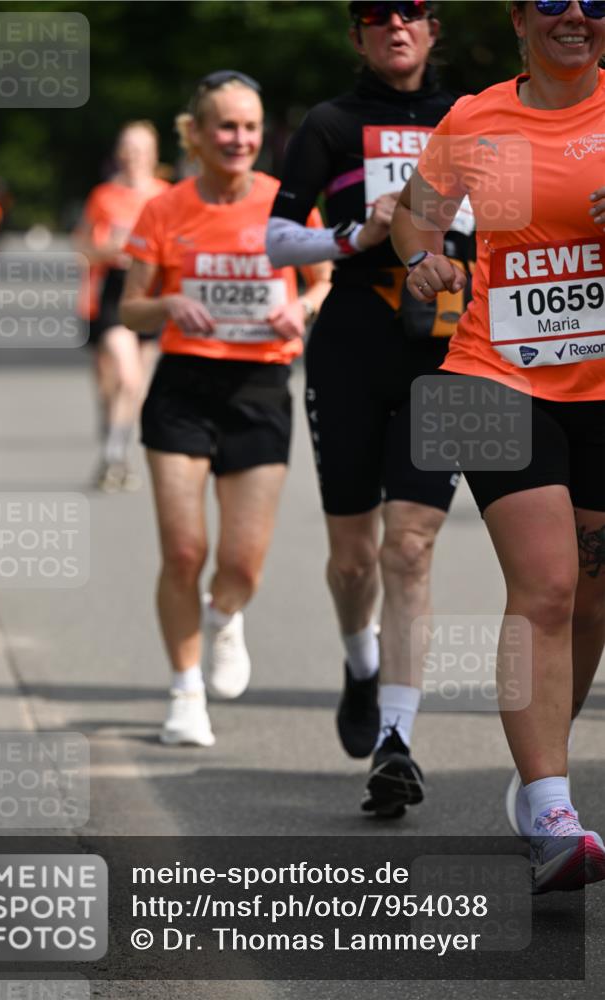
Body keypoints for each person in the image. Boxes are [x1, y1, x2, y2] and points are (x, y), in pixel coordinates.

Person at [391, 0, 605, 891]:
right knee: (547, 584)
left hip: (599, 381)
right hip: (490, 372)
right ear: (519, 19)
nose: (574, 16)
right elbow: (413, 214)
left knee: (590, 597)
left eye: (593, 2)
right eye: (552, 0)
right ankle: (554, 809)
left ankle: (535, 781)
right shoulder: (476, 116)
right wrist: (421, 260)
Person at [266, 1, 475, 816]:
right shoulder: (329, 122)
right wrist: (354, 235)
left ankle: (395, 739)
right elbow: (277, 240)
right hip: (351, 350)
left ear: (432, 31)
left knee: (411, 549)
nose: (395, 24)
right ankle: (359, 662)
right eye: (375, 15)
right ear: (356, 36)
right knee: (353, 559)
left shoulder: (469, 120)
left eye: (412, 12)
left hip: (447, 354)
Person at [120, 71, 331, 747]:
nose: (239, 139)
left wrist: (295, 307)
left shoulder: (284, 201)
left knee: (241, 564)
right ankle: (184, 692)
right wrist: (167, 305)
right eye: (225, 126)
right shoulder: (165, 208)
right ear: (198, 134)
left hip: (259, 389)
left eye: (249, 126)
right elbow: (129, 305)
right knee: (183, 550)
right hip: (183, 385)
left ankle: (225, 615)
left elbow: (321, 278)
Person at [74, 121, 170, 492]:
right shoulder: (103, 196)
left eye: (142, 149)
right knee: (118, 380)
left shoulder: (166, 195)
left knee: (134, 386)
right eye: (128, 148)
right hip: (112, 292)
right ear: (119, 153)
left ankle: (115, 455)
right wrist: (112, 250)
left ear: (154, 154)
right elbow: (81, 249)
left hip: (153, 291)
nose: (135, 156)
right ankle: (113, 453)